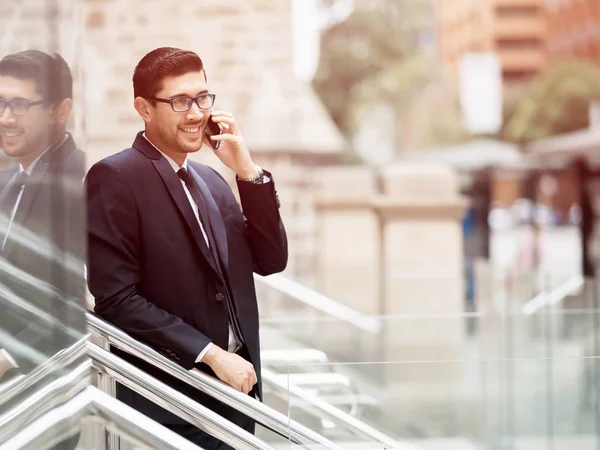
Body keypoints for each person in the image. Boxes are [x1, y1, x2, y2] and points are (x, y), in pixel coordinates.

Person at [86, 47, 288, 449]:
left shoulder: (212, 179)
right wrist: (210, 354)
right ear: (143, 108)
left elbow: (270, 260)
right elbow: (115, 299)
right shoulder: (115, 176)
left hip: (236, 399)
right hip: (169, 402)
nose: (196, 113)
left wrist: (247, 172)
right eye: (179, 101)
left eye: (202, 98)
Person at [0, 50, 86, 380]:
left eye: (20, 105)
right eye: (1, 103)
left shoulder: (82, 179)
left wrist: (9, 357)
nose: (6, 118)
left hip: (39, 390)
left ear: (60, 110)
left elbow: (78, 302)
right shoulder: (7, 181)